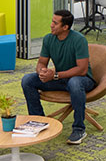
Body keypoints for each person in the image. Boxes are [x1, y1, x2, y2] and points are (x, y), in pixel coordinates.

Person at [21, 10, 96, 145]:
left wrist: (54, 75)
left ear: (65, 27)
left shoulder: (79, 40)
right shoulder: (48, 39)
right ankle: (39, 121)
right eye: (52, 21)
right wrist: (42, 72)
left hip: (83, 80)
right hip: (60, 79)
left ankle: (79, 129)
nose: (51, 25)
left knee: (74, 83)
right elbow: (41, 63)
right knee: (28, 80)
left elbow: (82, 69)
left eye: (55, 23)